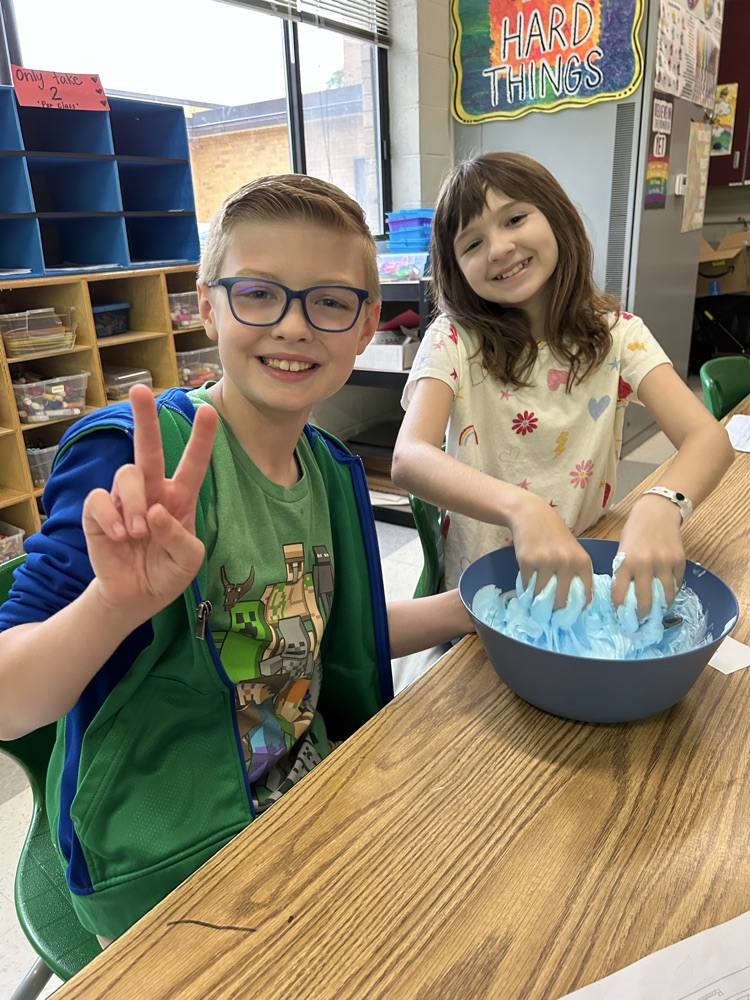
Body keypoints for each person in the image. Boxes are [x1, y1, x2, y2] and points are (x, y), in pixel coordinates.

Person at [0, 174, 474, 942]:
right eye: (257, 293)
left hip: (307, 801)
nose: (293, 326)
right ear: (207, 304)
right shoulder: (133, 461)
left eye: (329, 302)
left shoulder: (329, 470)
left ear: (367, 326)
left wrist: (470, 607)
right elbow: (9, 698)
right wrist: (112, 606)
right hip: (166, 866)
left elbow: (321, 631)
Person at [391, 152, 734, 615]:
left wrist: (661, 503)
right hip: (484, 593)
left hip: (585, 577)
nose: (498, 248)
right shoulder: (452, 339)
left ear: (556, 217)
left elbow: (708, 438)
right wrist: (524, 507)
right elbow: (409, 458)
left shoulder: (619, 334)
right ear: (456, 270)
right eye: (472, 244)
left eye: (514, 219)